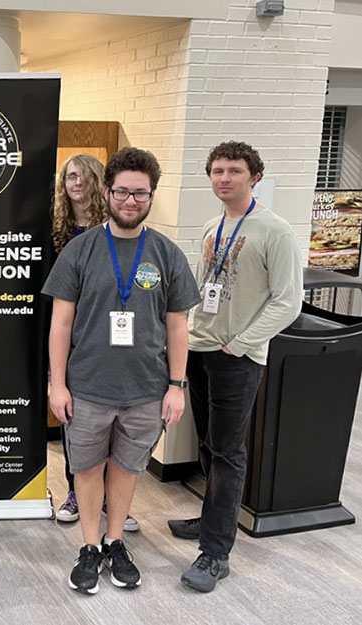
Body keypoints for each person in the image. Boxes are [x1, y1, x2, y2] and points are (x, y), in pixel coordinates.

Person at [42, 147, 200, 594]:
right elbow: (60, 323)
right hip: (88, 386)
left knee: (128, 469)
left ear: (152, 196)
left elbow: (177, 326)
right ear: (107, 192)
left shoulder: (166, 254)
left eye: (141, 194)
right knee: (88, 468)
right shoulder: (81, 250)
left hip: (146, 390)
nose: (131, 201)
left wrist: (176, 386)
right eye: (123, 192)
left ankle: (115, 542)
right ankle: (90, 546)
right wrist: (58, 383)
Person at [170, 141, 302, 593]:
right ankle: (212, 520)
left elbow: (288, 300)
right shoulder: (212, 224)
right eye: (217, 170)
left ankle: (215, 552)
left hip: (237, 356)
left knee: (228, 452)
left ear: (254, 177)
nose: (224, 178)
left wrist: (242, 343)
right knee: (207, 445)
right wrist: (186, 331)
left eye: (234, 170)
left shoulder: (275, 230)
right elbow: (205, 285)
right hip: (201, 347)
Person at [51, 154, 139, 533]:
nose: (75, 183)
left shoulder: (115, 229)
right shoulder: (57, 230)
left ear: (98, 183)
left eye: (83, 176)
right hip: (71, 334)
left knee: (117, 426)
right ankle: (77, 492)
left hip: (112, 338)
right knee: (77, 422)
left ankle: (112, 504)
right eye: (69, 176)